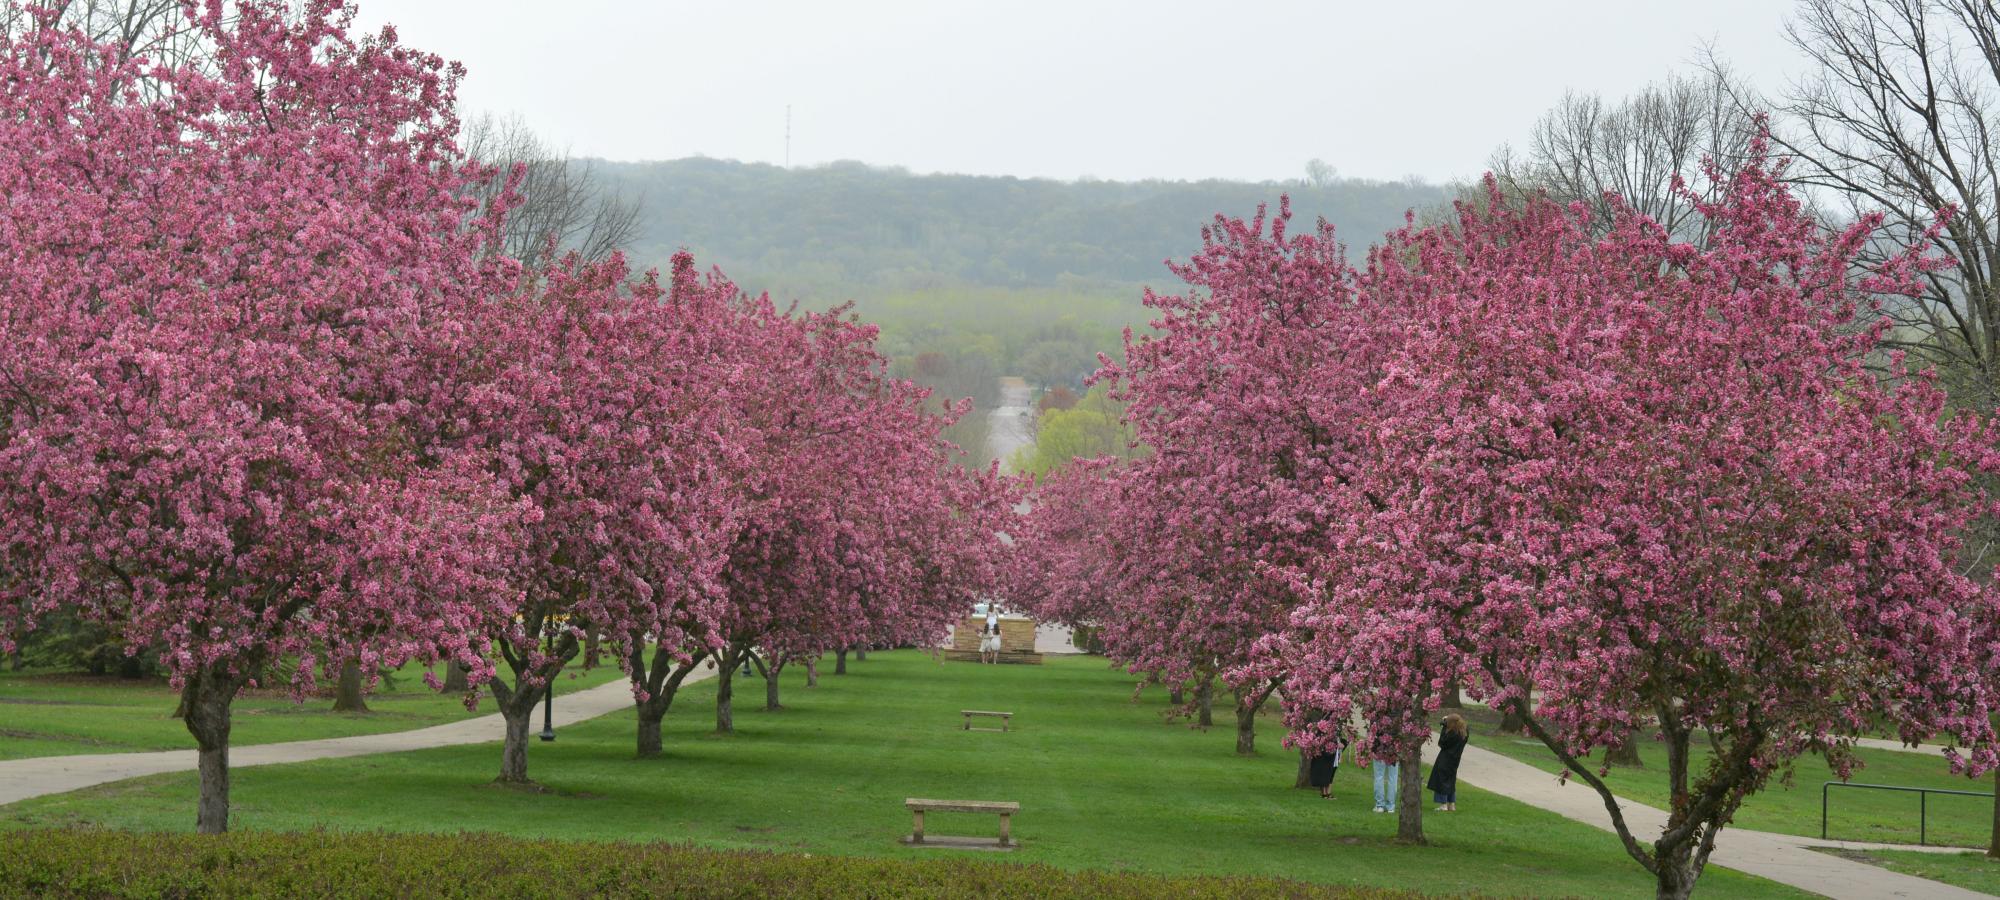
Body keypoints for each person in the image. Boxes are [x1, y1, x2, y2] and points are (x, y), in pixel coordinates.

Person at [1427, 714, 1468, 812]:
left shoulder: (1452, 734)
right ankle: (1451, 804)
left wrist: (1444, 727)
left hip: (1445, 759)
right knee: (1451, 781)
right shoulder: (1464, 733)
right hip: (1455, 760)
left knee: (1441, 780)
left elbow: (1442, 743)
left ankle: (1443, 804)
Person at [1307, 735, 1343, 799]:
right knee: (1326, 774)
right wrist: (1337, 745)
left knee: (1331, 775)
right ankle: (1324, 794)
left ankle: (1328, 793)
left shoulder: (1337, 737)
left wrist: (1340, 749)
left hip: (1335, 759)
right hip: (1328, 759)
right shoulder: (1328, 735)